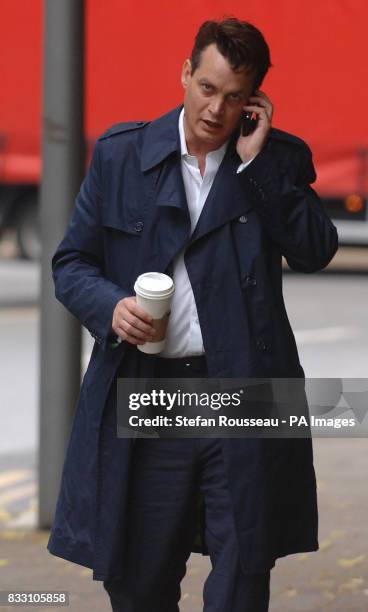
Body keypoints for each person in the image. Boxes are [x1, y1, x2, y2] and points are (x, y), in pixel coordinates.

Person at [47, 17, 338, 612]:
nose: (216, 109)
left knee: (243, 576)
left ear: (254, 100)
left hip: (249, 394)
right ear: (185, 74)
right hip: (150, 392)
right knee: (139, 581)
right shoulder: (122, 154)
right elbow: (72, 263)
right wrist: (113, 307)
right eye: (207, 88)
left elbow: (316, 249)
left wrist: (257, 171)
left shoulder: (275, 161)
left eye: (234, 97)